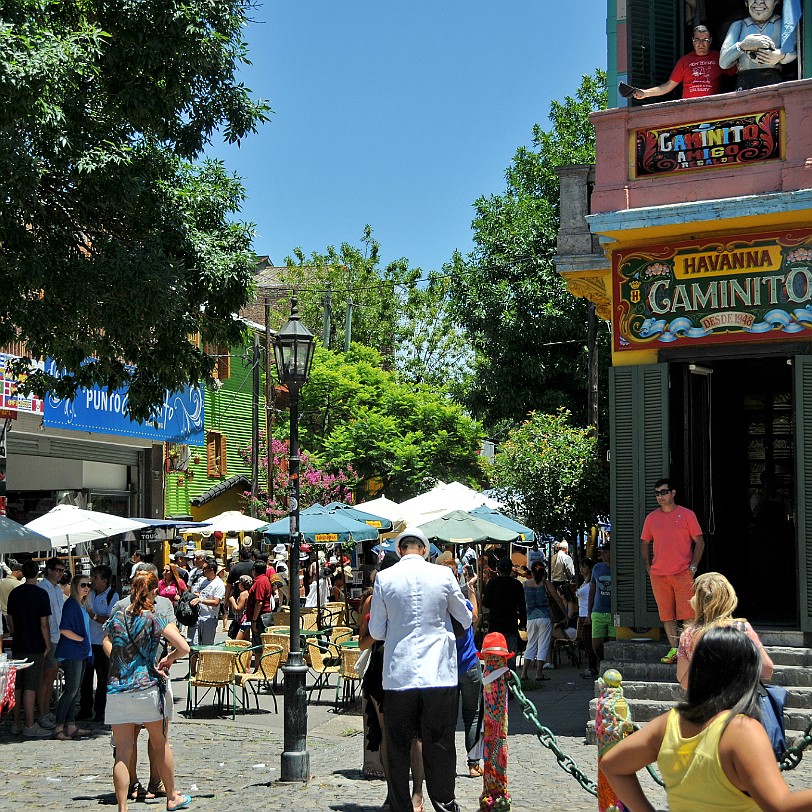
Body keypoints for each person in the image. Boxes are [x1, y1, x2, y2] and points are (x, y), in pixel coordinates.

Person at [600, 625, 812, 812]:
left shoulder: (668, 724)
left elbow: (612, 764)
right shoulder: (740, 730)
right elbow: (781, 805)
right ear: (747, 675)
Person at [369, 527, 472, 812]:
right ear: (425, 550)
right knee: (439, 741)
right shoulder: (443, 575)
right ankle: (443, 802)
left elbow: (376, 630)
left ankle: (401, 805)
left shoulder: (385, 578)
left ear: (400, 550)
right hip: (438, 671)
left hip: (398, 673)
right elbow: (465, 616)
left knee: (399, 744)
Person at [104, 571, 191, 812]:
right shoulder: (155, 618)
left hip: (118, 688)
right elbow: (184, 646)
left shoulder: (117, 617)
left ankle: (123, 807)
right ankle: (171, 796)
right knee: (160, 743)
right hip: (146, 688)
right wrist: (170, 658)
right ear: (154, 592)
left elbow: (107, 640)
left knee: (122, 751)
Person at [358, 552, 425, 810]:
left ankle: (417, 792)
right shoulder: (371, 601)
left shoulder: (411, 598)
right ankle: (394, 793)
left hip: (406, 667)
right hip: (380, 667)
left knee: (414, 735)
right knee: (388, 735)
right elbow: (363, 640)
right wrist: (380, 632)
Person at [641, 478, 704, 665]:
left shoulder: (687, 515)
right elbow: (644, 543)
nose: (659, 496)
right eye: (657, 493)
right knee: (666, 615)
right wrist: (648, 565)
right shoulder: (651, 518)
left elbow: (700, 541)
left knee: (688, 615)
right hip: (659, 575)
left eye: (663, 492)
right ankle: (675, 650)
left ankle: (687, 650)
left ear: (673, 493)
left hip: (683, 572)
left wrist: (693, 567)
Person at [676, 571, 773, 690]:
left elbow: (684, 682)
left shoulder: (688, 635)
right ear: (729, 598)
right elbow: (767, 670)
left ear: (697, 601)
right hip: (737, 701)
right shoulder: (741, 628)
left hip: (705, 704)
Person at [437, 552, 484, 778]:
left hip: (446, 669)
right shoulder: (460, 602)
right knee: (473, 715)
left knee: (447, 719)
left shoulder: (437, 606)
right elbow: (475, 616)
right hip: (469, 665)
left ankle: (445, 765)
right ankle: (474, 764)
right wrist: (472, 590)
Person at [7, 559, 53, 737]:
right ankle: (30, 724)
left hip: (18, 641)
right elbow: (44, 624)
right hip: (35, 644)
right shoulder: (41, 595)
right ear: (38, 574)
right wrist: (47, 644)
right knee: (31, 685)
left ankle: (16, 722)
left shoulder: (15, 593)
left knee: (18, 685)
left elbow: (10, 620)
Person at [633, 26, 735, 100]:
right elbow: (668, 86)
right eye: (697, 40)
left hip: (711, 107)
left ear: (711, 41)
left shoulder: (719, 57)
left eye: (705, 40)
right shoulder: (684, 61)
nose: (701, 44)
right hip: (688, 110)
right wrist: (645, 93)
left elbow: (738, 70)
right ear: (692, 41)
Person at [720, 0, 798, 90]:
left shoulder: (784, 24)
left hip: (773, 81)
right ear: (746, 2)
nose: (759, 2)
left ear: (776, 2)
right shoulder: (739, 26)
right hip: (745, 83)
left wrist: (780, 56)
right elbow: (723, 62)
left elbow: (795, 52)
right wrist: (742, 46)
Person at [52, 573, 94, 741]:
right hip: (72, 652)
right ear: (76, 586)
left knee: (74, 691)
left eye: (88, 585)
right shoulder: (71, 604)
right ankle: (59, 727)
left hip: (81, 652)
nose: (86, 588)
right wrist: (81, 640)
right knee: (70, 690)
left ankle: (70, 725)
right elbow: (64, 629)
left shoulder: (80, 605)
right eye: (83, 585)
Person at [78, 564, 119, 723]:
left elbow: (110, 620)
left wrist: (93, 616)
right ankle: (85, 709)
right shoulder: (89, 594)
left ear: (105, 580)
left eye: (95, 578)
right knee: (86, 679)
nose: (92, 581)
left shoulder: (112, 596)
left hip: (103, 643)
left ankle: (101, 711)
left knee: (103, 679)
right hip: (88, 642)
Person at [519, 560, 562, 682]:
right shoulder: (546, 583)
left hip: (531, 617)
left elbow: (522, 602)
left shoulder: (525, 584)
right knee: (543, 645)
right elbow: (557, 599)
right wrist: (563, 612)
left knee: (531, 644)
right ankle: (539, 673)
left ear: (531, 571)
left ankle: (524, 672)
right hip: (544, 616)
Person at [38, 556, 67, 731]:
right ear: (49, 570)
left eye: (62, 571)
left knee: (52, 676)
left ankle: (46, 711)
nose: (59, 573)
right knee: (47, 679)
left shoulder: (57, 589)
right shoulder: (42, 588)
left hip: (58, 637)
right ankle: (42, 714)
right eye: (57, 570)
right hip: (49, 638)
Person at [482, 556, 526, 671]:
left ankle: (497, 680)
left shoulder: (492, 583)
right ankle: (510, 679)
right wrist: (523, 622)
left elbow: (486, 603)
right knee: (510, 654)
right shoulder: (516, 584)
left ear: (498, 569)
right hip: (511, 623)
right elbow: (522, 606)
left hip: (495, 623)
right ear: (511, 569)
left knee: (495, 654)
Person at [588, 542, 614, 672]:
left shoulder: (618, 566)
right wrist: (589, 612)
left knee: (613, 644)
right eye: (601, 552)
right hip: (598, 611)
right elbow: (592, 590)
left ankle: (611, 667)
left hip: (613, 613)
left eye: (605, 552)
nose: (603, 555)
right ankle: (602, 663)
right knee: (596, 645)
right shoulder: (597, 568)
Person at [190, 559, 224, 647]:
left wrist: (201, 600)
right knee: (193, 645)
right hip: (197, 617)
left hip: (209, 618)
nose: (203, 571)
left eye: (204, 569)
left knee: (206, 647)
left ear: (211, 570)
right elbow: (196, 592)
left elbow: (216, 602)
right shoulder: (202, 580)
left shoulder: (218, 584)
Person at [576, 558, 599, 679]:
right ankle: (592, 666)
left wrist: (589, 615)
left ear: (590, 568)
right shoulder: (585, 582)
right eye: (581, 566)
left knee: (588, 643)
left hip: (587, 615)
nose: (581, 569)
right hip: (582, 614)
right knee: (585, 642)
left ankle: (592, 666)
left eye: (584, 567)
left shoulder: (591, 583)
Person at [228, 575, 253, 640]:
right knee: (246, 642)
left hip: (243, 621)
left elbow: (238, 609)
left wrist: (232, 600)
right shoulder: (250, 592)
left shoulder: (243, 594)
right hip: (248, 619)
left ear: (241, 585)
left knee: (237, 642)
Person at [0, 558, 22, 632]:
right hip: (12, 617)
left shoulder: (2, 582)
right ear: (19, 572)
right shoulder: (17, 584)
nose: (22, 576)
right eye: (22, 573)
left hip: (2, 616)